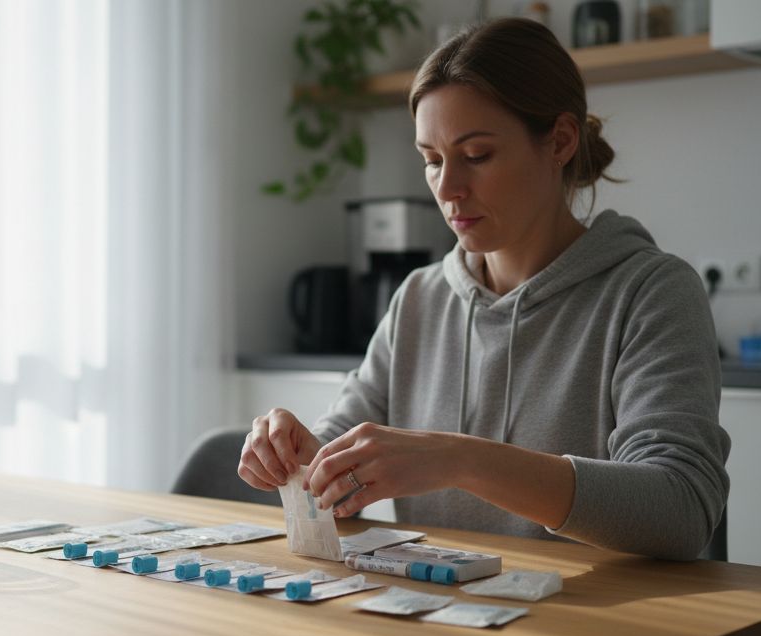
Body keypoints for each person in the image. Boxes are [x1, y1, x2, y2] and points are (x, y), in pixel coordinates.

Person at [238, 17, 730, 563]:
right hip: (444, 620)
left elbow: (681, 510)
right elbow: (343, 469)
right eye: (431, 160)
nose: (447, 188)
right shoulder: (419, 298)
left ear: (560, 141)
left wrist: (460, 460)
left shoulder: (652, 293)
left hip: (599, 631)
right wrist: (304, 455)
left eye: (476, 156)